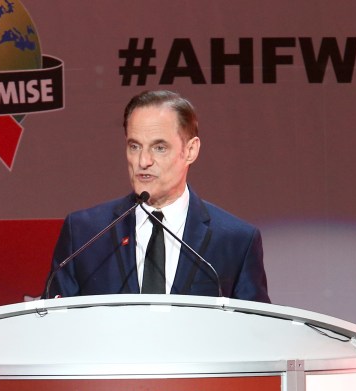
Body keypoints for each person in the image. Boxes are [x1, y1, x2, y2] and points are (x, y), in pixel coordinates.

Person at [46, 90, 270, 302]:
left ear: (190, 151)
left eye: (159, 148)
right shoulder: (85, 233)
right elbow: (54, 326)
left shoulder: (235, 241)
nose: (143, 161)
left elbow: (256, 332)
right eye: (134, 146)